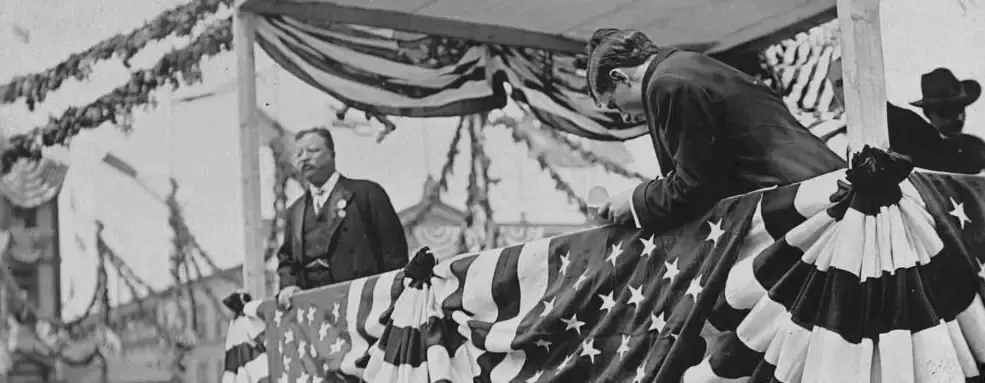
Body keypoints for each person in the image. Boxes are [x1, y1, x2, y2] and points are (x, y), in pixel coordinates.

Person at [587, 28, 846, 232]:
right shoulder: (688, 65)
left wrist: (634, 201)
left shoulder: (666, 84)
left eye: (614, 104)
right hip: (822, 186)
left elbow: (695, 186)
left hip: (806, 204)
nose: (624, 116)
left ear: (619, 77)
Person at [276, 128, 408, 308]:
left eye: (313, 151)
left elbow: (394, 256)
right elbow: (287, 259)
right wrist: (289, 285)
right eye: (299, 154)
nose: (304, 158)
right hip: (316, 312)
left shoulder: (366, 195)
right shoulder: (295, 212)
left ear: (332, 154)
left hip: (364, 307)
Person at [827, 60, 985, 174]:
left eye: (854, 79)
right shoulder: (832, 141)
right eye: (840, 84)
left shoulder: (903, 124)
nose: (958, 118)